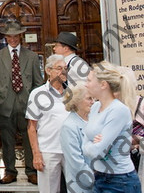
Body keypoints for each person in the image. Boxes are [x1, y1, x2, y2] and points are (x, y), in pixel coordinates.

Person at [0, 20, 43, 185]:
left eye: (15, 36)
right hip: (5, 105)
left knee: (30, 139)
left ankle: (31, 171)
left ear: (21, 36)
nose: (12, 39)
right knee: (7, 141)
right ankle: (10, 171)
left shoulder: (32, 56)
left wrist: (35, 103)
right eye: (9, 36)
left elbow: (38, 83)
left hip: (27, 105)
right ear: (5, 37)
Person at [83, 61, 141, 193]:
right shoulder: (96, 107)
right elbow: (85, 139)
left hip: (120, 180)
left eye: (89, 80)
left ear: (103, 85)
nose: (86, 84)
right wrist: (92, 144)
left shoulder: (118, 110)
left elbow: (97, 151)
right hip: (99, 176)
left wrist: (91, 144)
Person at [26, 55, 70, 193]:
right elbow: (31, 127)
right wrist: (36, 154)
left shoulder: (73, 93)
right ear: (48, 70)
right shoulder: (37, 94)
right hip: (48, 151)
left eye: (65, 68)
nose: (63, 71)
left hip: (72, 150)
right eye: (59, 68)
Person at [60, 82, 95, 193]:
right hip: (82, 185)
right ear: (77, 101)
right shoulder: (69, 126)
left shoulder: (94, 120)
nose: (93, 102)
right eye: (89, 98)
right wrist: (96, 181)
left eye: (94, 98)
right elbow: (76, 163)